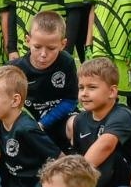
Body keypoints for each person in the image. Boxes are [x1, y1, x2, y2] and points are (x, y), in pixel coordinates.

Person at [69, 57, 131, 187]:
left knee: (107, 155)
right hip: (95, 179)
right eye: (81, 87)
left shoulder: (122, 115)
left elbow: (105, 145)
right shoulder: (80, 120)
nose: (84, 93)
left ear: (112, 91)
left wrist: (71, 180)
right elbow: (79, 156)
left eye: (92, 87)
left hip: (129, 183)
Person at [7, 11, 78, 153]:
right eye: (37, 47)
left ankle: (81, 163)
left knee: (78, 124)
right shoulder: (15, 68)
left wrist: (44, 123)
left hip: (59, 118)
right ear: (27, 41)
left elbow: (70, 100)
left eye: (51, 48)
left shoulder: (67, 62)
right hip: (26, 122)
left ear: (63, 44)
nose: (43, 54)